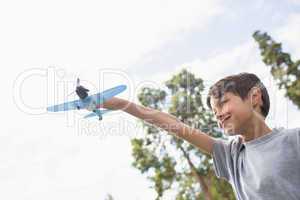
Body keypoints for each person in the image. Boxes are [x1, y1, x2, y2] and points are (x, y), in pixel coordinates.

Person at [100, 72, 300, 200]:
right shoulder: (232, 155)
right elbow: (175, 125)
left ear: (254, 97)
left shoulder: (294, 140)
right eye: (214, 112)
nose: (219, 115)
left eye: (223, 103)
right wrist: (120, 104)